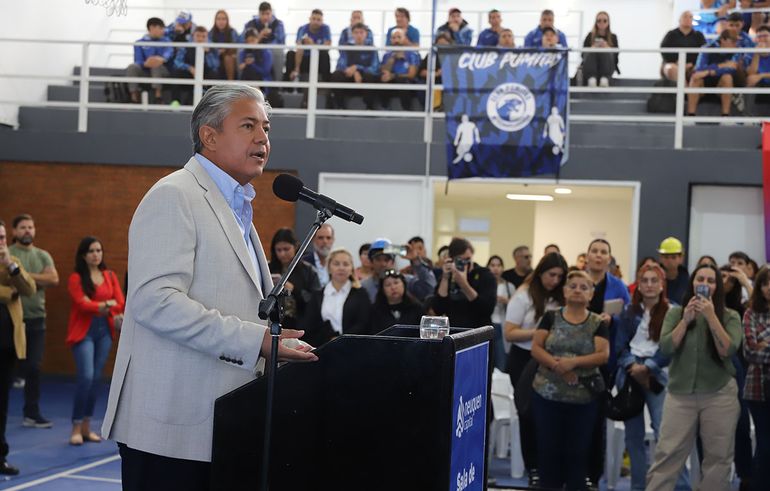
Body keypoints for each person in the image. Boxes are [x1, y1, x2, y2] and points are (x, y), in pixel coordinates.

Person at [102, 85, 317, 491]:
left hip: (220, 425)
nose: (262, 139)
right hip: (171, 432)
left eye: (266, 128)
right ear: (210, 135)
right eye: (249, 126)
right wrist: (257, 342)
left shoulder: (237, 209)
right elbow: (155, 302)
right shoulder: (174, 195)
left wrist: (270, 344)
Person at [646, 264, 743, 491]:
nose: (705, 285)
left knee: (718, 459)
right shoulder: (675, 313)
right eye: (700, 279)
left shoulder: (730, 316)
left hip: (719, 394)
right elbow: (667, 348)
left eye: (711, 281)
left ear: (718, 287)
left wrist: (710, 317)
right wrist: (685, 321)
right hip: (680, 395)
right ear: (692, 283)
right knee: (667, 454)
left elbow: (727, 351)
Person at [530, 270, 609, 491]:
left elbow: (602, 355)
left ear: (591, 294)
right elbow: (536, 348)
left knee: (577, 454)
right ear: (564, 291)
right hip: (546, 396)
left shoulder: (597, 322)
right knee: (548, 452)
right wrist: (558, 366)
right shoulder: (551, 316)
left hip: (583, 400)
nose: (577, 290)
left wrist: (573, 363)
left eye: (584, 287)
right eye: (573, 286)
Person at [615, 263, 690, 491]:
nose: (649, 285)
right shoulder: (628, 312)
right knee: (633, 437)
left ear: (661, 285)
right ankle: (638, 486)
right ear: (638, 284)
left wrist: (648, 367)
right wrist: (633, 367)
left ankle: (679, 486)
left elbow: (672, 347)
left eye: (653, 280)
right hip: (629, 374)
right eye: (644, 280)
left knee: (666, 435)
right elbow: (619, 347)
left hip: (658, 375)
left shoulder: (673, 311)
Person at [504, 252, 568, 486]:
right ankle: (533, 468)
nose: (555, 281)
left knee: (552, 414)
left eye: (560, 277)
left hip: (551, 357)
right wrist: (540, 332)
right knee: (528, 414)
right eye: (551, 275)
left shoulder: (561, 296)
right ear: (541, 272)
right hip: (523, 357)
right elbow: (509, 333)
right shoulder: (523, 297)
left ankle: (551, 465)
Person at [66, 237, 124, 446]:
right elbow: (82, 304)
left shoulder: (109, 275)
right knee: (86, 376)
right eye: (91, 251)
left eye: (99, 250)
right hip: (84, 332)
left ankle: (86, 427)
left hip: (104, 331)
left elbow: (121, 302)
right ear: (83, 255)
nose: (96, 254)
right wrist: (106, 304)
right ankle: (75, 425)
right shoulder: (76, 278)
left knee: (96, 378)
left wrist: (100, 305)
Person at [585, 238, 629, 489]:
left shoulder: (618, 286)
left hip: (605, 360)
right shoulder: (577, 281)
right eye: (595, 251)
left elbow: (630, 316)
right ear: (587, 255)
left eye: (604, 252)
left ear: (609, 258)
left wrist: (613, 320)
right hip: (575, 357)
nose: (599, 256)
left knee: (596, 421)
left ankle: (593, 475)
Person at [9, 214, 58, 429]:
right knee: (7, 368)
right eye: (23, 227)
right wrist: (37, 278)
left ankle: (31, 412)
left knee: (34, 367)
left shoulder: (42, 255)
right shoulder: (8, 255)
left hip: (37, 319)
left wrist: (24, 277)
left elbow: (53, 279)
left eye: (30, 226)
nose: (27, 230)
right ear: (14, 232)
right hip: (13, 319)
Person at [0, 219, 35, 476]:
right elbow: (10, 293)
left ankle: (0, 457)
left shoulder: (12, 264)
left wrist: (10, 265)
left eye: (2, 238)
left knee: (1, 405)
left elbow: (29, 289)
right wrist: (6, 292)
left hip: (6, 346)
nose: (1, 243)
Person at [299, 249, 371, 347]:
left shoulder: (361, 294)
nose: (341, 268)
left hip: (354, 347)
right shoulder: (318, 295)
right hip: (324, 347)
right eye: (336, 264)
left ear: (351, 269)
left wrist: (342, 339)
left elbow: (364, 323)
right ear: (329, 268)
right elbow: (309, 325)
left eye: (345, 264)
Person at [742, 265, 770, 491]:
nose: (769, 288)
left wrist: (765, 344)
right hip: (758, 389)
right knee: (765, 446)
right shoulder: (751, 312)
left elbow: (760, 348)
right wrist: (760, 346)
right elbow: (750, 351)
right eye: (765, 283)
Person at [431, 237, 496, 328]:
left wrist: (463, 284)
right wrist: (445, 278)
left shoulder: (484, 275)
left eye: (468, 259)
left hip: (478, 333)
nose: (465, 264)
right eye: (460, 260)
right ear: (452, 259)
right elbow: (438, 309)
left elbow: (487, 309)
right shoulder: (447, 276)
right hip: (455, 332)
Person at [267, 228, 321, 330]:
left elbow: (316, 301)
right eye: (278, 250)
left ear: (295, 247)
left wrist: (294, 289)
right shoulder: (267, 268)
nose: (282, 254)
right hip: (271, 322)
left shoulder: (308, 271)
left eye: (286, 249)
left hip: (300, 324)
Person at [361, 238, 436, 304]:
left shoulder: (406, 281)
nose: (383, 264)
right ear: (371, 262)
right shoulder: (364, 286)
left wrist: (416, 260)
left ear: (393, 262)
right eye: (378, 260)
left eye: (386, 260)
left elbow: (429, 290)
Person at [687, 30, 739, 119]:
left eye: (736, 41)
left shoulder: (736, 52)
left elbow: (731, 69)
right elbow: (699, 69)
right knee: (695, 78)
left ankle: (725, 117)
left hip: (720, 85)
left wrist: (709, 71)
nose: (735, 44)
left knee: (727, 77)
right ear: (723, 40)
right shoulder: (707, 48)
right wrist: (721, 65)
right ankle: (690, 116)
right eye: (733, 41)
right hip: (703, 84)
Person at [329, 23, 380, 110]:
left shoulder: (372, 49)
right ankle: (340, 106)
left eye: (361, 32)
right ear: (352, 34)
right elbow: (341, 65)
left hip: (364, 79)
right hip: (350, 78)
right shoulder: (347, 47)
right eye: (356, 32)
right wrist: (354, 72)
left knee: (370, 76)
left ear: (366, 34)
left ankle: (369, 107)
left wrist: (358, 68)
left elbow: (375, 68)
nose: (359, 35)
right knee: (336, 75)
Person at [126, 17, 173, 103]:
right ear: (152, 28)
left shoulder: (167, 41)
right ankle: (134, 97)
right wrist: (145, 64)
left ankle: (158, 97)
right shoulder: (139, 43)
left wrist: (160, 59)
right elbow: (138, 60)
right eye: (161, 28)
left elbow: (168, 54)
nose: (163, 31)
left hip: (162, 70)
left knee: (156, 66)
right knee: (132, 67)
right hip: (145, 70)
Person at [172, 26, 220, 105]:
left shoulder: (212, 48)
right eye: (198, 36)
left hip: (205, 73)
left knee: (214, 74)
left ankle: (214, 104)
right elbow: (177, 62)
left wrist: (207, 53)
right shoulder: (186, 47)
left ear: (207, 37)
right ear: (193, 36)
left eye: (203, 37)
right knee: (176, 73)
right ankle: (176, 101)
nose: (200, 39)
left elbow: (215, 65)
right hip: (189, 73)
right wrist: (189, 68)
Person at [241, 2, 286, 82]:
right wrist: (259, 36)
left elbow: (280, 42)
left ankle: (276, 84)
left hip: (267, 53)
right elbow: (243, 41)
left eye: (267, 14)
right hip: (253, 52)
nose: (265, 17)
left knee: (275, 52)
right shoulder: (250, 24)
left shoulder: (278, 24)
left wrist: (265, 47)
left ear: (271, 13)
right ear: (259, 13)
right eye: (263, 14)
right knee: (241, 52)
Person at [370, 269, 424, 334]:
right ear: (382, 290)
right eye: (388, 285)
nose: (393, 287)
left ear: (404, 284)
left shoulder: (416, 307)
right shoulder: (375, 311)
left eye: (396, 283)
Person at [379, 29, 421, 110]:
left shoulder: (412, 54)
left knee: (402, 81)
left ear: (404, 39)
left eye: (399, 37)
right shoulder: (387, 55)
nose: (396, 40)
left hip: (407, 81)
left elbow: (411, 75)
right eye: (394, 38)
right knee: (382, 80)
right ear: (391, 40)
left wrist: (394, 75)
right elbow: (384, 72)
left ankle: (406, 109)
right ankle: (385, 107)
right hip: (392, 80)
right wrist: (392, 59)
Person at [660, 11, 707, 83]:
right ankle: (684, 89)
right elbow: (664, 50)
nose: (688, 19)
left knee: (700, 73)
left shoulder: (698, 35)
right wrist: (677, 63)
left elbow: (703, 51)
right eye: (685, 16)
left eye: (690, 17)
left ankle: (689, 91)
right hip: (674, 64)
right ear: (680, 20)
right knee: (670, 69)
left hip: (692, 65)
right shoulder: (671, 34)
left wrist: (692, 64)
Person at [288, 9, 332, 84]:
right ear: (310, 19)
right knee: (290, 54)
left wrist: (313, 45)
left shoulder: (325, 28)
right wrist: (297, 68)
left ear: (322, 21)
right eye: (314, 19)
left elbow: (327, 47)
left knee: (325, 55)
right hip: (304, 59)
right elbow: (299, 47)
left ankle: (325, 84)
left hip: (319, 60)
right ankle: (287, 85)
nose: (316, 22)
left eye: (318, 20)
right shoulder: (302, 29)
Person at [488, 255, 515, 372]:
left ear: (503, 268)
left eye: (499, 265)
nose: (496, 269)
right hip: (488, 324)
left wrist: (506, 301)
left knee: (501, 362)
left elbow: (516, 308)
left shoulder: (509, 286)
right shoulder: (485, 285)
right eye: (493, 265)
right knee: (488, 362)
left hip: (503, 325)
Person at [581, 11, 619, 88]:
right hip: (591, 67)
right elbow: (582, 55)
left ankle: (605, 78)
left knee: (606, 50)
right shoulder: (590, 36)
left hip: (607, 67)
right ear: (596, 22)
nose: (602, 23)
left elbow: (616, 57)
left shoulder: (613, 37)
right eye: (599, 21)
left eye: (605, 21)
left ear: (608, 22)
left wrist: (607, 47)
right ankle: (592, 78)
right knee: (591, 50)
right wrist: (593, 47)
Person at [209, 10, 239, 80]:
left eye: (223, 19)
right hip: (215, 57)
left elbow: (236, 46)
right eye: (219, 19)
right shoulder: (211, 33)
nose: (221, 22)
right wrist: (218, 51)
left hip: (229, 56)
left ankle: (230, 84)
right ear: (215, 20)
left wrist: (225, 50)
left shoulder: (232, 32)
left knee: (228, 58)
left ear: (227, 20)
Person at [658, 236, 689, 305]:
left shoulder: (688, 281)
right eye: (666, 257)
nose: (669, 261)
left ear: (681, 258)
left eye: (673, 257)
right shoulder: (654, 279)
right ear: (660, 258)